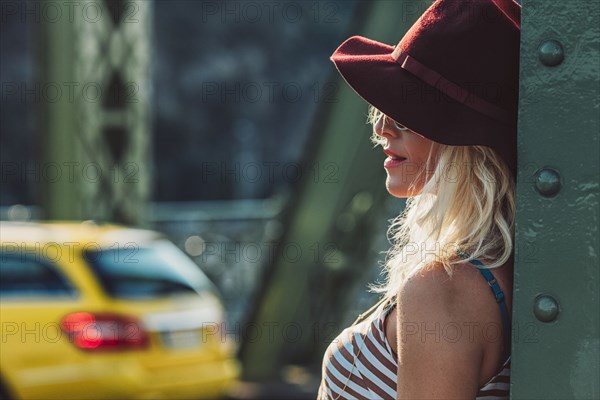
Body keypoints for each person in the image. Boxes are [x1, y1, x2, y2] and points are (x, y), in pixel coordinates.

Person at [318, 0, 521, 398]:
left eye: (406, 114)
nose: (381, 127)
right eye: (383, 108)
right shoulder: (496, 270)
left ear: (467, 142)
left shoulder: (442, 289)